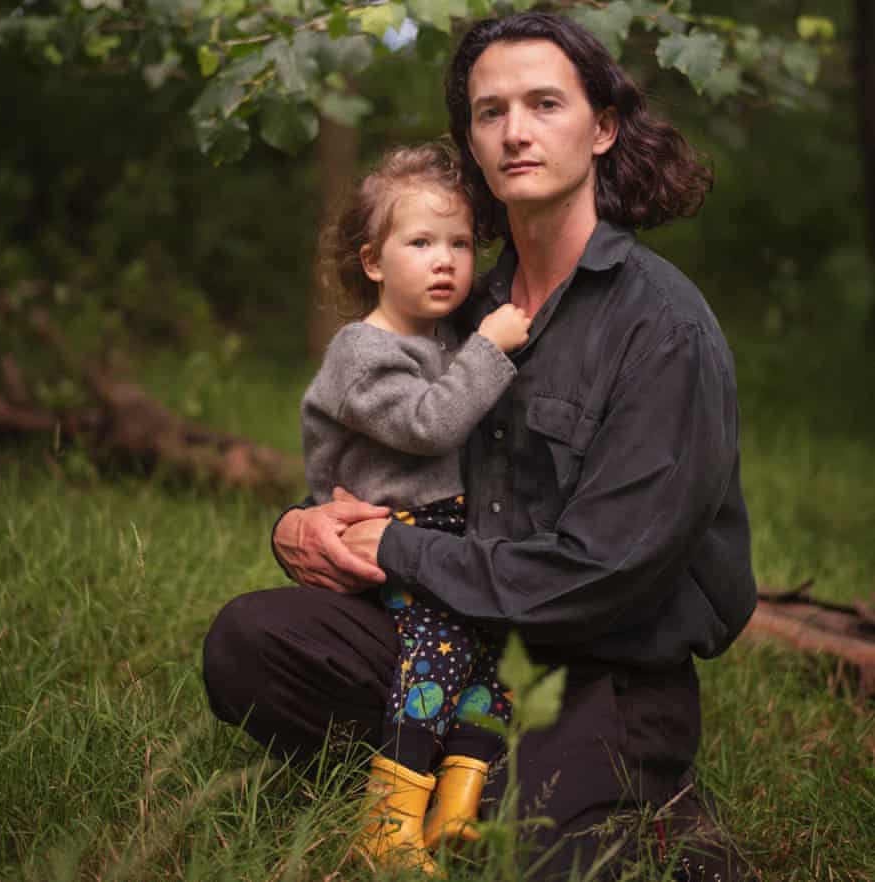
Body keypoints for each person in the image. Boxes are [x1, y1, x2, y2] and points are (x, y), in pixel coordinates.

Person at [203, 11, 758, 881]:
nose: (516, 131)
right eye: (490, 111)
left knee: (520, 846)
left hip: (597, 666)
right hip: (452, 638)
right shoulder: (457, 298)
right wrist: (302, 526)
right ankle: (440, 761)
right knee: (250, 643)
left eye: (544, 104)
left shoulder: (662, 329)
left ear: (603, 127)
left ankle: (648, 803)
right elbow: (379, 460)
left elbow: (602, 575)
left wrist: (396, 547)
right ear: (470, 139)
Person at [300, 141, 531, 872]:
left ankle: (458, 805)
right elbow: (429, 424)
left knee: (500, 654)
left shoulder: (443, 340)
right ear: (373, 261)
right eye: (421, 242)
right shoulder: (361, 353)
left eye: (461, 243)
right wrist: (492, 348)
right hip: (386, 537)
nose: (446, 261)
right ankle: (385, 818)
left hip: (446, 537)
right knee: (443, 647)